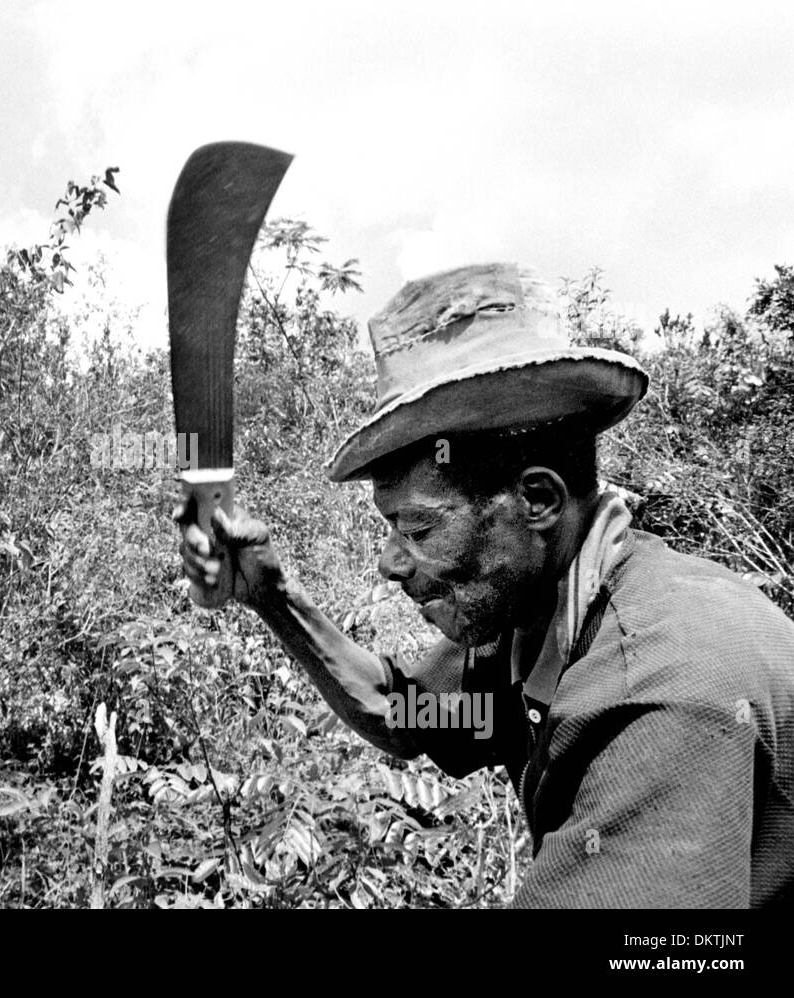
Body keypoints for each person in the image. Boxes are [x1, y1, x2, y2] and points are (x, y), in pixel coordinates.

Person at [176, 262, 794, 908]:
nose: (390, 563)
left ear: (536, 500)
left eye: (418, 527)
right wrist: (273, 598)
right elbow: (403, 713)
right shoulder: (534, 616)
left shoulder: (659, 687)